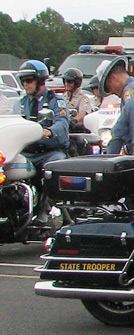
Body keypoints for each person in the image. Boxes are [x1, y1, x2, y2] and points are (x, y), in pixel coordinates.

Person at [17, 60, 70, 225]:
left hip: (49, 152)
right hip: (27, 152)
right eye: (23, 81)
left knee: (54, 166)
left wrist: (49, 131)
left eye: (29, 80)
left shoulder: (55, 100)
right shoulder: (21, 103)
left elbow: (62, 122)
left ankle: (45, 210)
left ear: (40, 80)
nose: (25, 84)